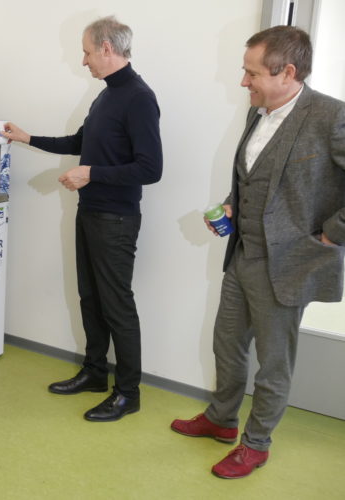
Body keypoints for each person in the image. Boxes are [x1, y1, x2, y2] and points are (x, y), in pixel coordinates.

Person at [171, 26, 345, 479]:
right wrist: (232, 204)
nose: (243, 82)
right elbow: (256, 177)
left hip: (290, 264)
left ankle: (257, 444)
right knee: (227, 344)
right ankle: (221, 420)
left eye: (251, 73)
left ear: (287, 72)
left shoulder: (331, 116)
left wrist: (331, 236)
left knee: (273, 363)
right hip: (243, 255)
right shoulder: (258, 113)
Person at [1, 16, 162, 422]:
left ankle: (128, 392)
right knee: (90, 298)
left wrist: (91, 173)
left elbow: (150, 168)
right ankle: (94, 373)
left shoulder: (139, 97)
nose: (85, 59)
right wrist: (27, 137)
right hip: (90, 212)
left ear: (107, 48)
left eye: (88, 51)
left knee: (116, 305)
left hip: (117, 219)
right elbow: (80, 143)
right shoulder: (105, 96)